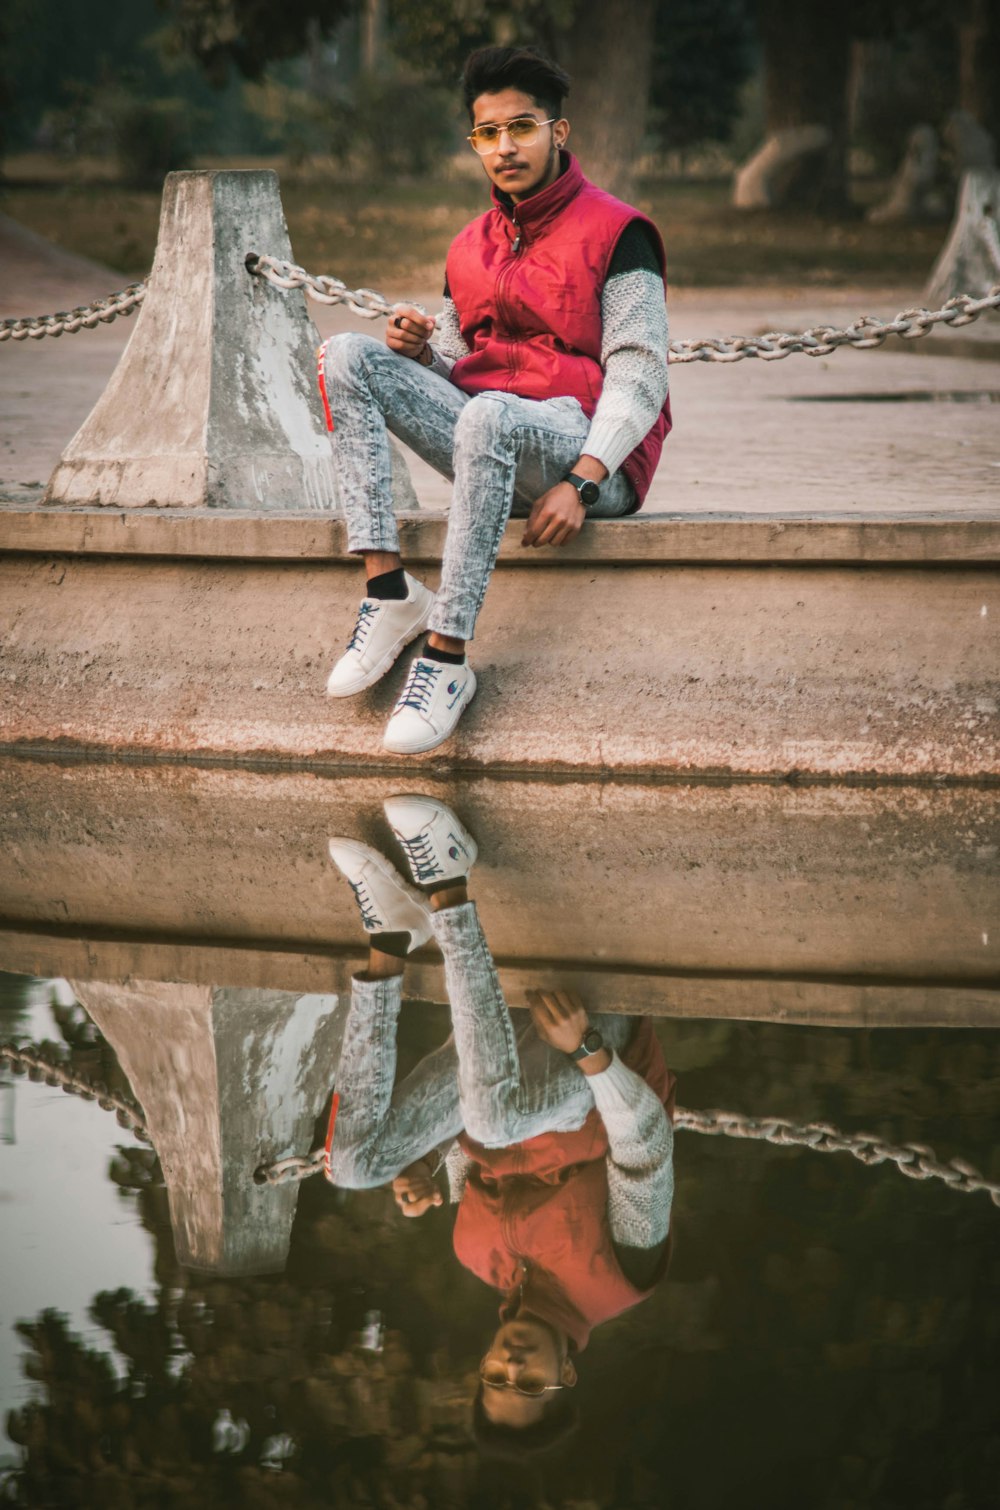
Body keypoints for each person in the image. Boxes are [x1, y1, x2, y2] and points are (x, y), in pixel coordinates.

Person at [320, 44, 671, 753]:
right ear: (474, 141)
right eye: (488, 133)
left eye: (522, 127)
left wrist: (583, 480)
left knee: (488, 414)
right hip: (493, 437)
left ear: (557, 132)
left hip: (588, 458)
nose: (504, 147)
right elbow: (463, 367)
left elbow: (639, 376)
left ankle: (446, 659)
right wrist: (424, 355)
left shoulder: (618, 232)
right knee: (345, 354)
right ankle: (389, 594)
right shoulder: (468, 248)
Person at [325, 795, 676, 1450]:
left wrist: (431, 1169)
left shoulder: (473, 1256)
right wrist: (590, 1051)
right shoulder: (622, 1276)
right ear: (565, 1375)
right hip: (593, 1060)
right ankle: (449, 880)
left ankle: (390, 938)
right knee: (493, 1121)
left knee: (351, 1165)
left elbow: (471, 1147)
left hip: (498, 1057)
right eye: (529, 1383)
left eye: (495, 1377)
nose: (512, 1366)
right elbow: (645, 1145)